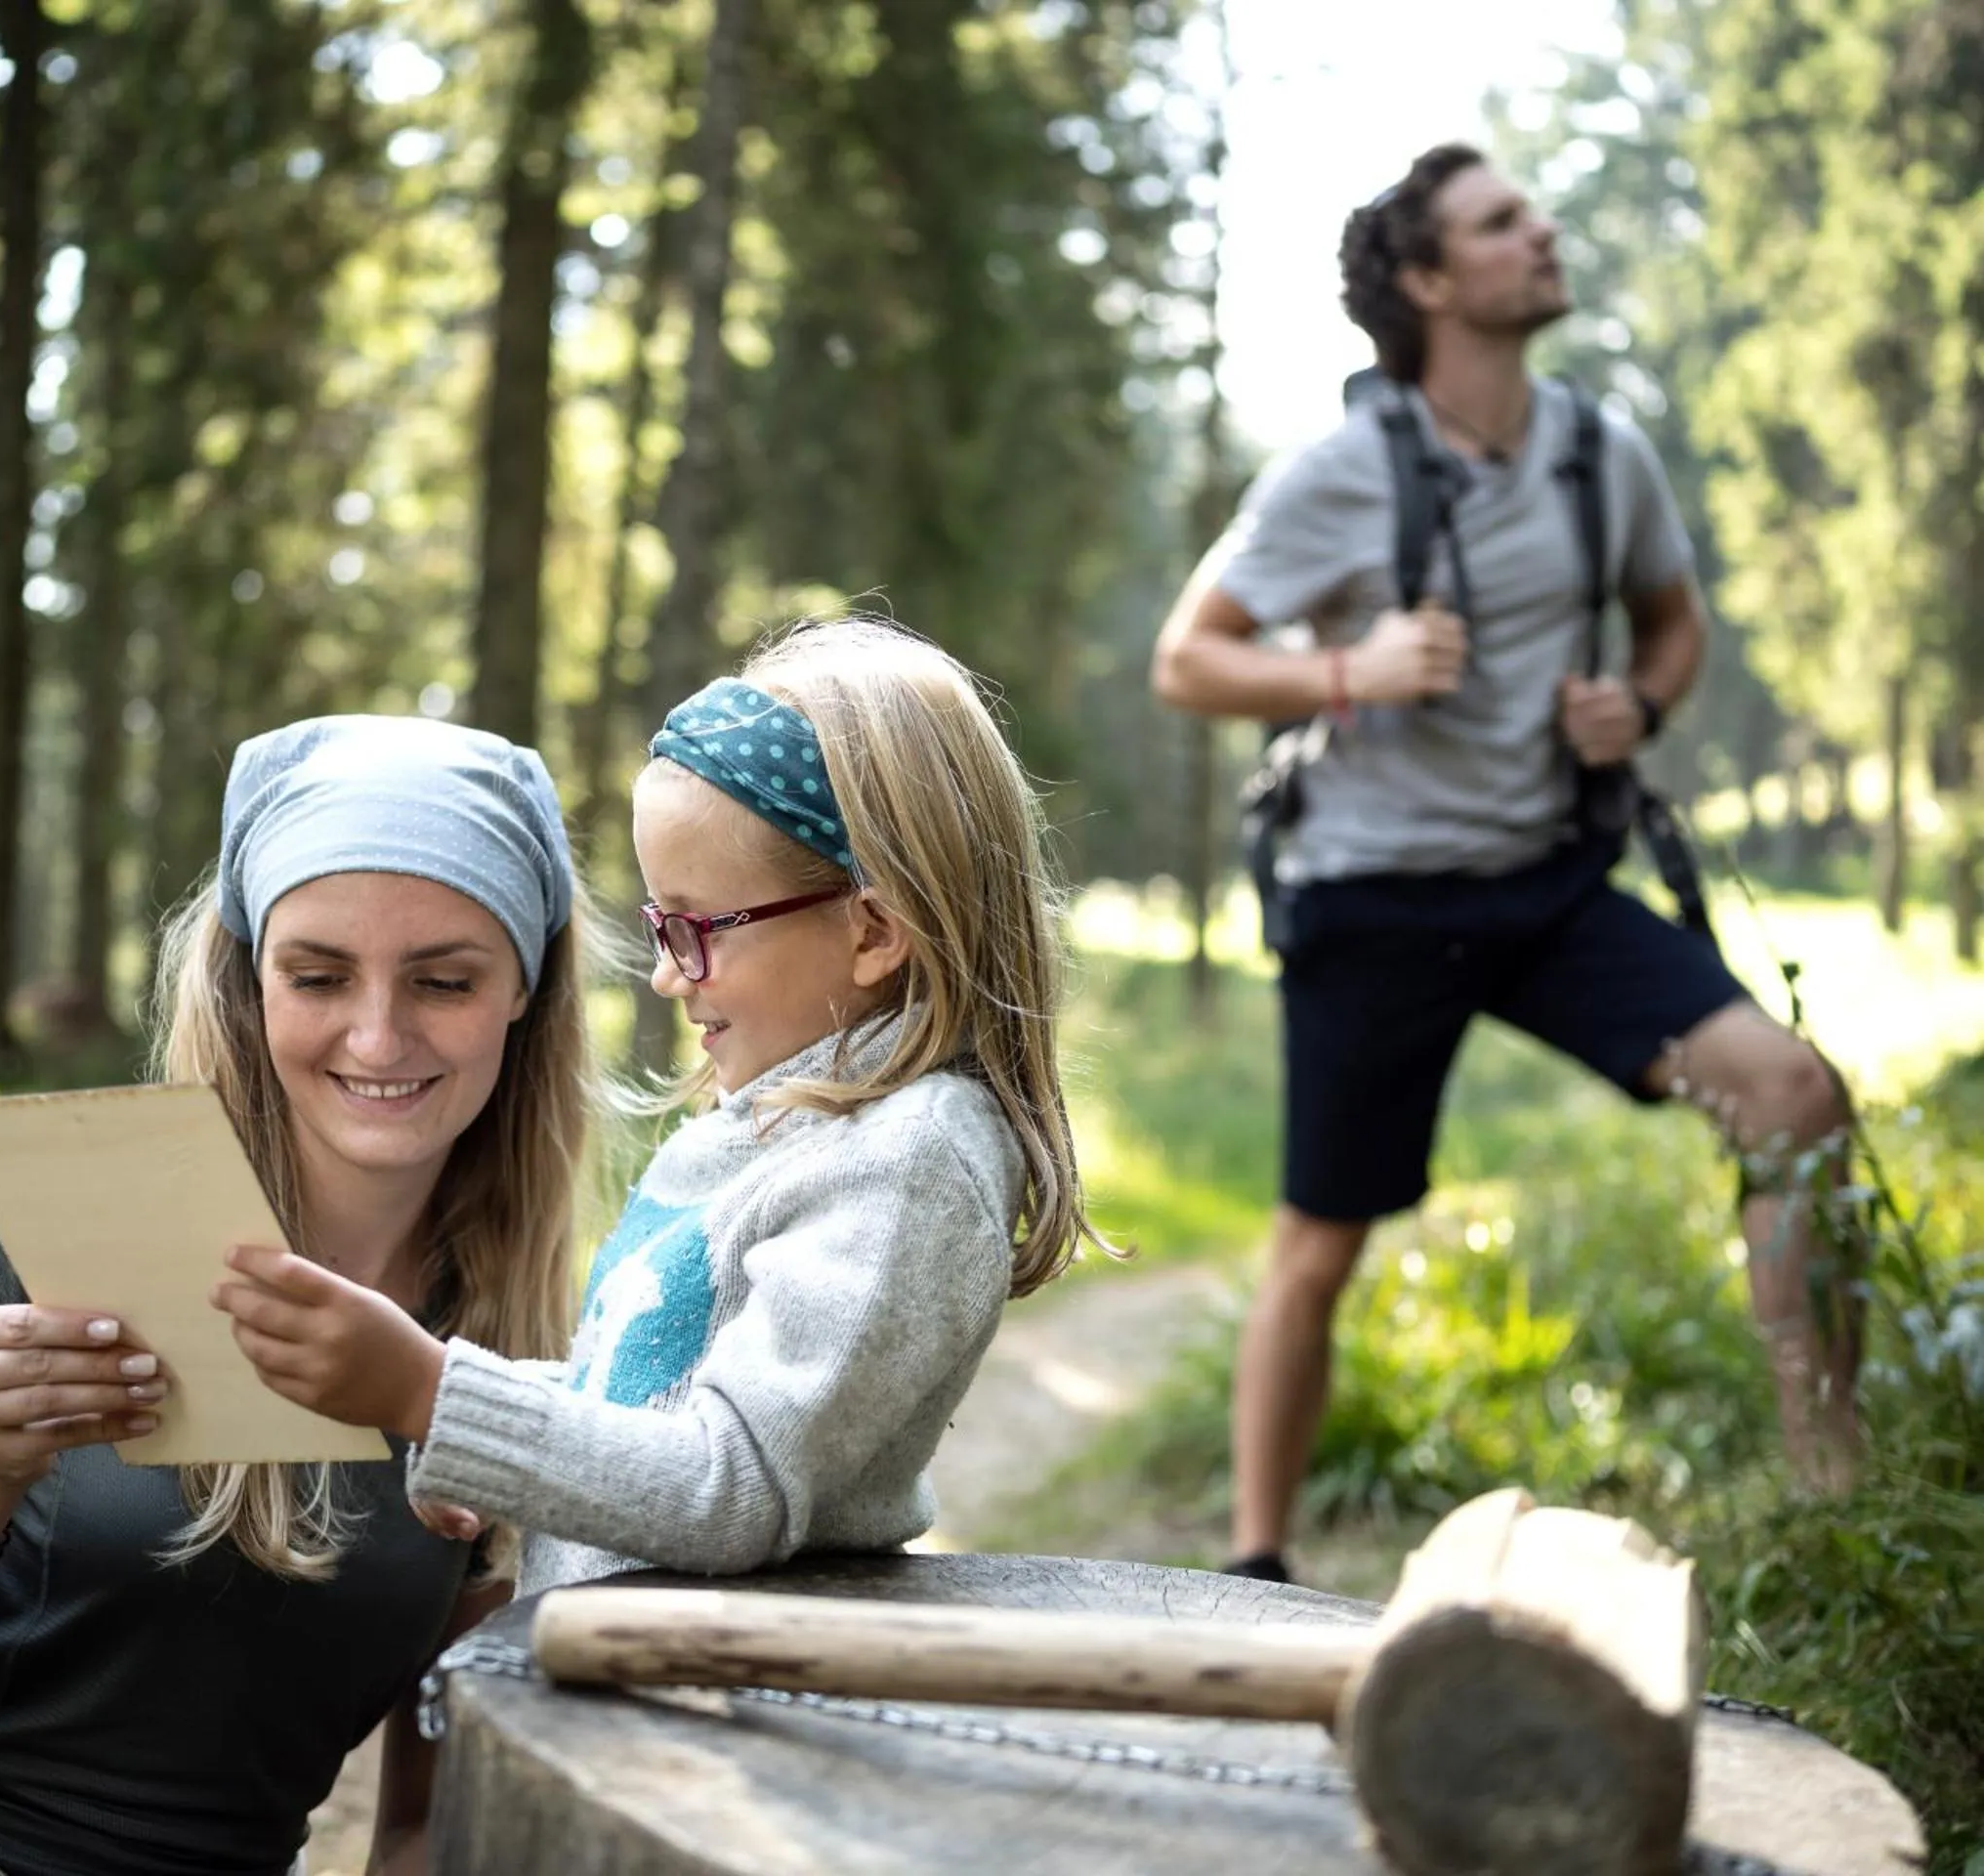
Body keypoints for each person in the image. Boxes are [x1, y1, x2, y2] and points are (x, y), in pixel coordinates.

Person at [0, 715, 591, 1876]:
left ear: (525, 987)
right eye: (316, 974)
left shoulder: (516, 1339)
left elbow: (423, 1824)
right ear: (250, 981)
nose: (377, 1033)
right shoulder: (66, 1213)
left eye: (444, 980)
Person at [1150, 144, 1862, 1585]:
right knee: (1318, 1244)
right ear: (1426, 282)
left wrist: (1640, 706)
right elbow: (1188, 659)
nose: (1541, 231)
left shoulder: (1606, 455)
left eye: (1529, 213)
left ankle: (1835, 1498)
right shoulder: (1338, 477)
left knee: (1793, 1095)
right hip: (1373, 900)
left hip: (1547, 888)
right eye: (1500, 222)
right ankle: (1258, 1559)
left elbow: (1674, 624)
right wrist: (1354, 665)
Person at [215, 616, 1104, 1594]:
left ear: (874, 932)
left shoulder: (905, 1162)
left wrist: (434, 1394)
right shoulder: (784, 1131)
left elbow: (732, 1486)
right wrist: (482, 1432)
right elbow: (648, 1404)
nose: (666, 979)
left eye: (691, 928)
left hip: (718, 1708)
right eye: (656, 926)